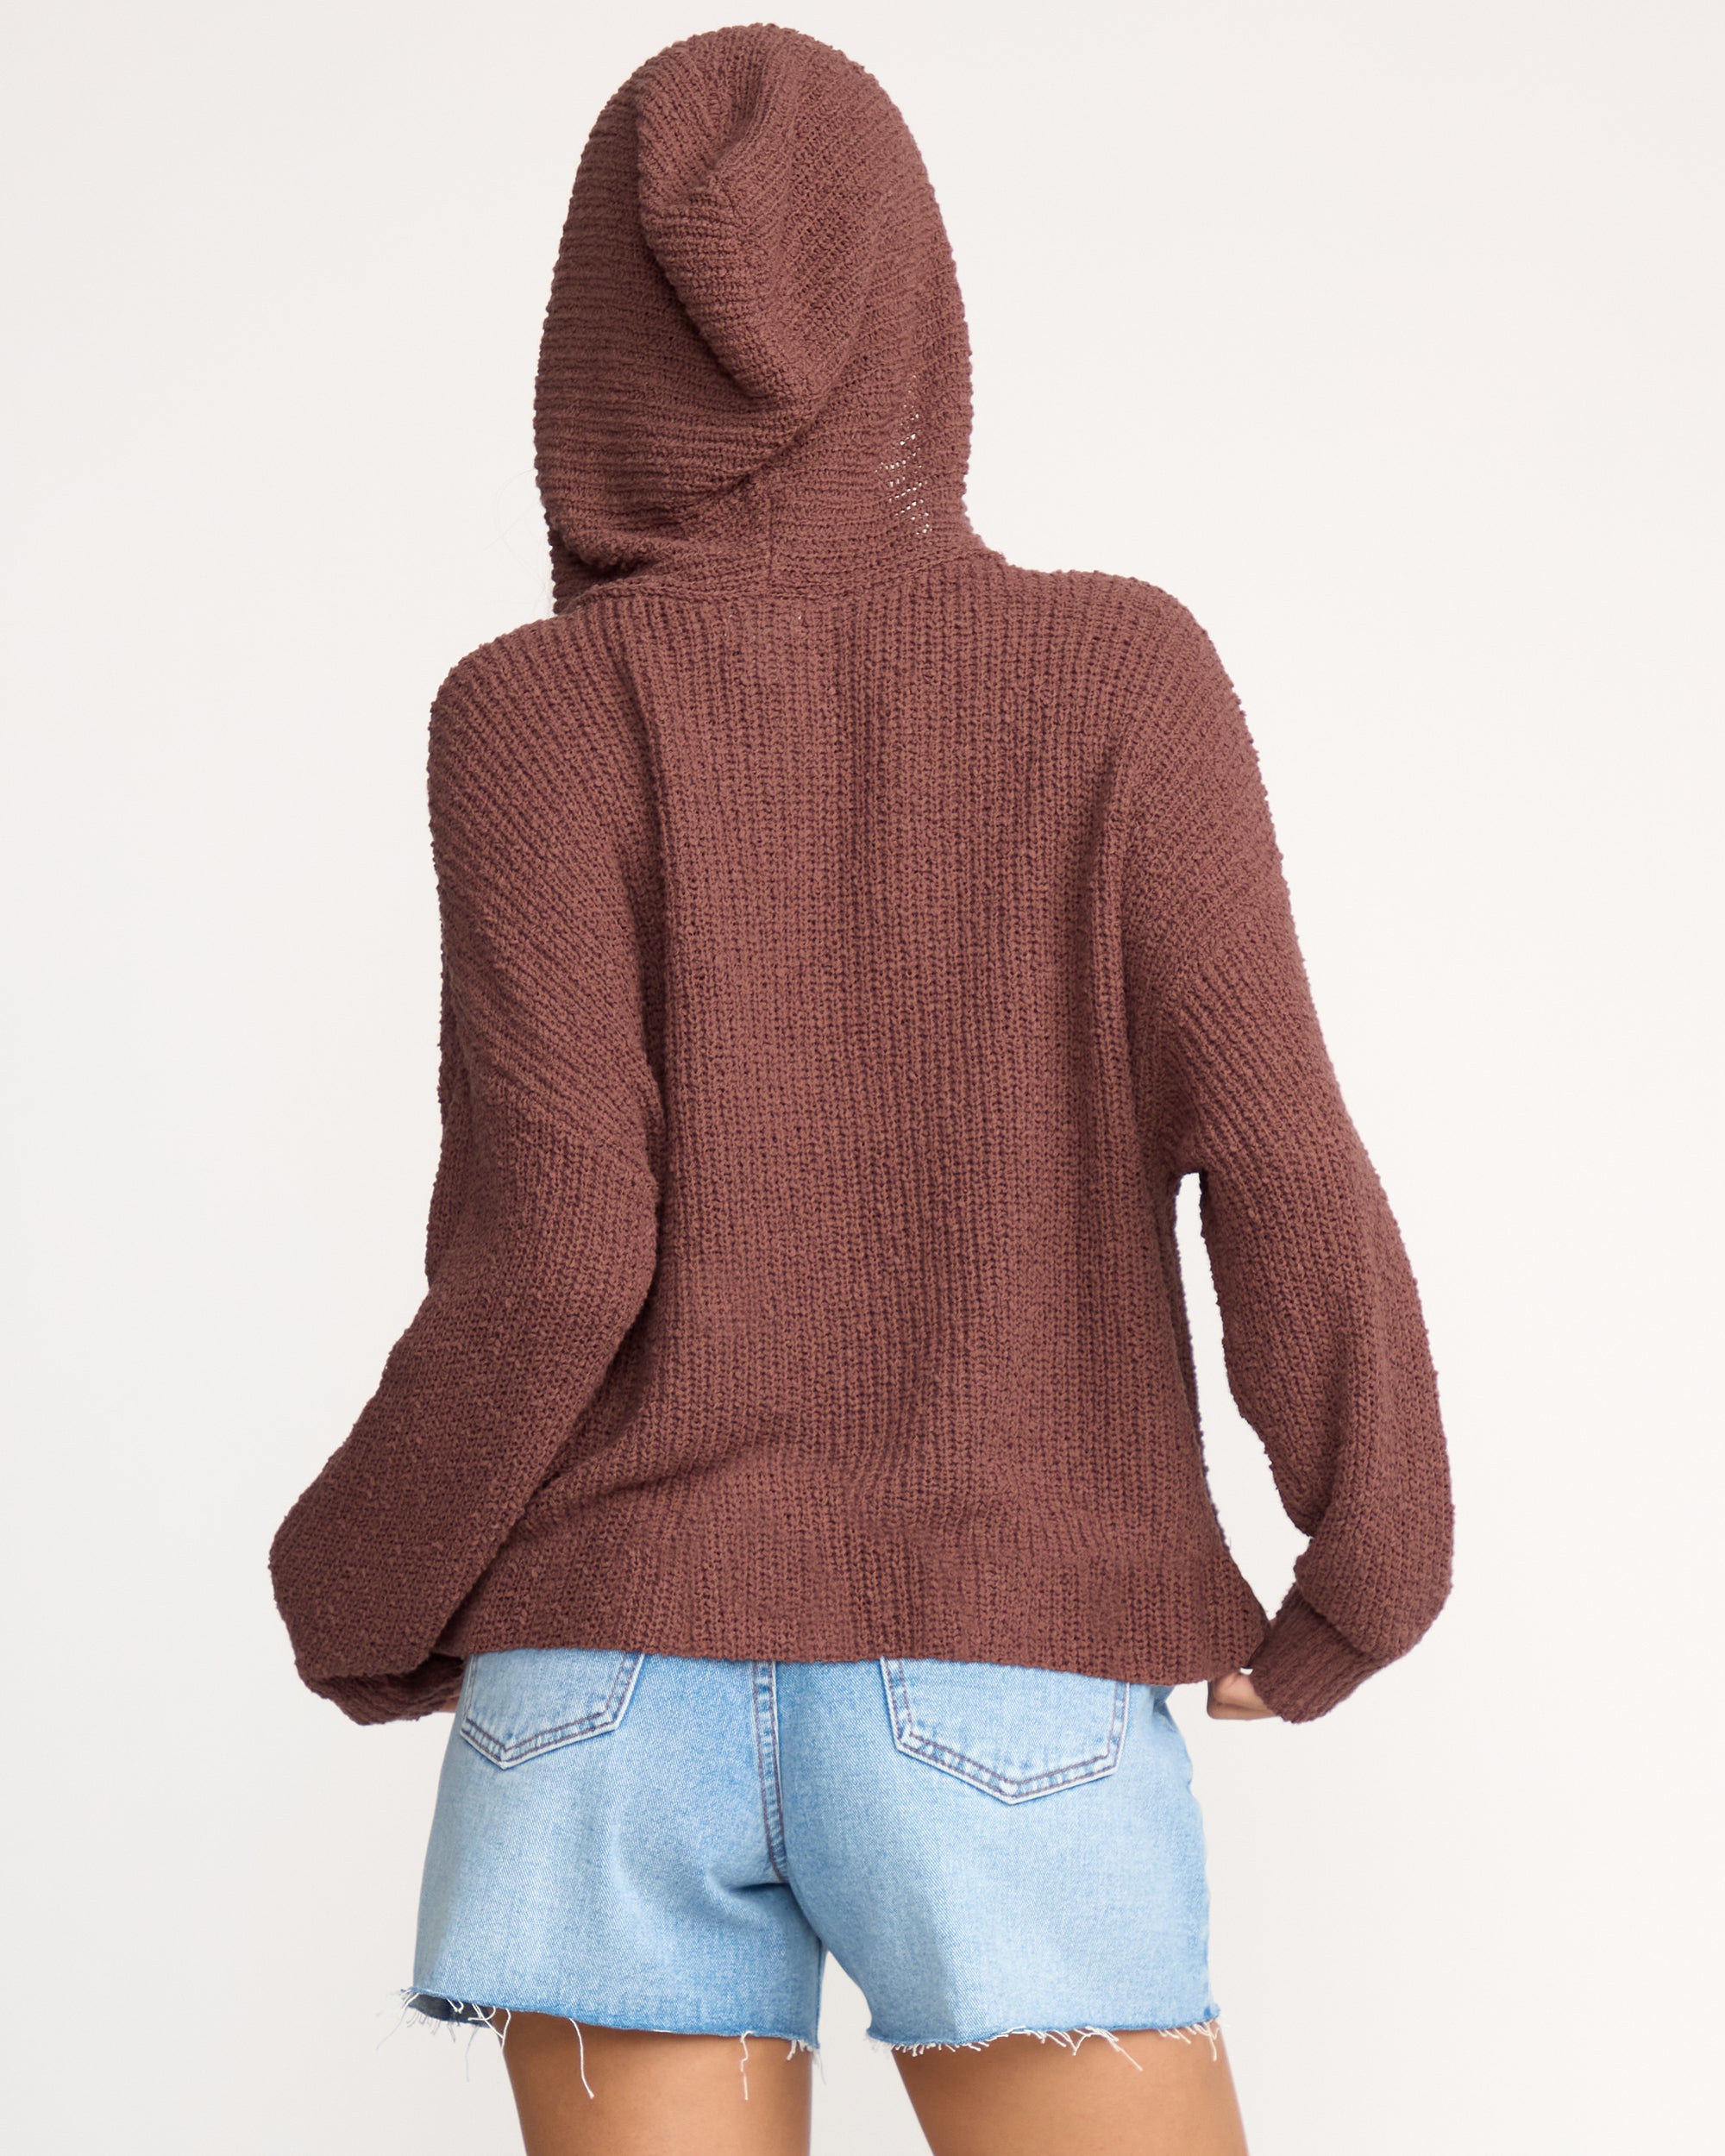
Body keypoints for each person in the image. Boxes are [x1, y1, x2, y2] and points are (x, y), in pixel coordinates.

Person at [269, 24, 1452, 2155]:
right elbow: (1274, 1148)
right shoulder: (1120, 671)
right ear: (916, 307)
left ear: (596, 353)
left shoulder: (526, 711)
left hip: (602, 1677)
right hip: (1002, 1657)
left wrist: (363, 1582)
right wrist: (1367, 1557)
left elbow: (557, 1245)